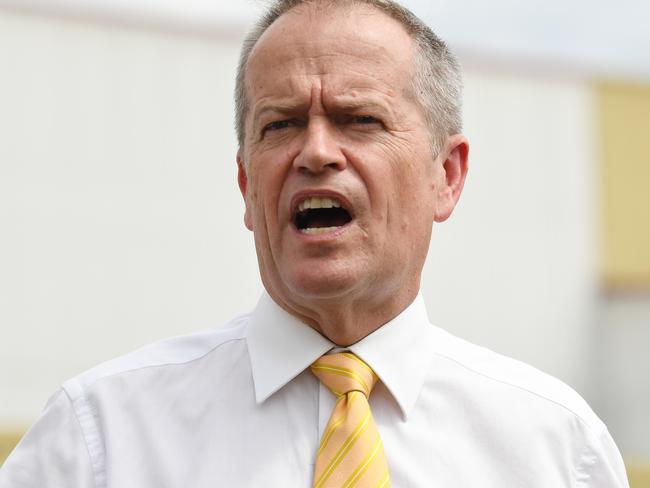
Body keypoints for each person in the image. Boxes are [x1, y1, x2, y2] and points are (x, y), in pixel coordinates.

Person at [0, 0, 629, 486]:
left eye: (360, 119)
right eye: (282, 124)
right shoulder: (100, 441)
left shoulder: (555, 448)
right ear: (247, 183)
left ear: (447, 175)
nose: (318, 152)